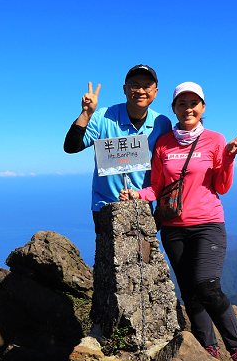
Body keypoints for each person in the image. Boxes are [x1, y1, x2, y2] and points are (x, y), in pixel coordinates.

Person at [118, 81, 237, 361]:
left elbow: (222, 185)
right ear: (174, 109)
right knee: (189, 291)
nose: (188, 108)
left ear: (203, 108)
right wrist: (136, 194)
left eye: (194, 103)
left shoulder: (215, 140)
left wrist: (230, 155)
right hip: (173, 227)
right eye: (182, 104)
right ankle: (207, 345)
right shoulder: (164, 143)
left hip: (208, 224)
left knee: (207, 285)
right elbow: (157, 187)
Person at [64, 65, 172, 234]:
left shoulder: (162, 123)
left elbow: (166, 169)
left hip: (142, 203)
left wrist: (160, 208)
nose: (141, 90)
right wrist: (86, 114)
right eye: (135, 85)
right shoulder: (103, 116)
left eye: (146, 86)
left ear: (155, 91)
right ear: (125, 89)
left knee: (142, 257)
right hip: (105, 205)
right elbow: (71, 146)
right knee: (108, 257)